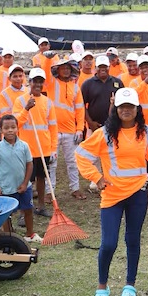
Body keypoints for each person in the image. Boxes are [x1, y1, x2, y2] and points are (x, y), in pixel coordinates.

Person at [77, 88, 148, 296]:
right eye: (122, 107)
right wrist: (97, 178)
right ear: (116, 109)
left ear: (137, 109)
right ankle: (102, 287)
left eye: (130, 106)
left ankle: (130, 284)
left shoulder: (146, 133)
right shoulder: (104, 133)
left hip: (138, 195)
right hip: (112, 196)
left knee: (132, 240)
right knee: (108, 243)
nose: (126, 110)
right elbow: (81, 155)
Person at [13, 68, 57, 224]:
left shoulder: (47, 102)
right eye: (35, 81)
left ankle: (41, 206)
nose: (38, 84)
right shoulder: (20, 101)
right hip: (26, 148)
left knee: (41, 178)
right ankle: (23, 210)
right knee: (25, 181)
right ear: (29, 82)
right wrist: (26, 108)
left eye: (40, 81)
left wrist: (53, 149)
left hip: (43, 147)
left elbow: (52, 127)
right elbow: (16, 123)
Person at [0, 115, 35, 240]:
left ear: (17, 128)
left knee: (28, 210)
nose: (10, 130)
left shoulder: (24, 146)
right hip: (7, 188)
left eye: (13, 127)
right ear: (0, 130)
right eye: (6, 128)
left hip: (24, 186)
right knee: (7, 214)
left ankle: (30, 234)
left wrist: (25, 183)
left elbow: (29, 164)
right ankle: (9, 237)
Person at [48, 58, 87, 201]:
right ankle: (48, 191)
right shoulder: (52, 84)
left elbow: (80, 110)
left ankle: (75, 188)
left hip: (70, 131)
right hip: (53, 130)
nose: (65, 70)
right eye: (62, 68)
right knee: (52, 162)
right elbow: (46, 72)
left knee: (72, 162)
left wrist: (79, 129)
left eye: (68, 68)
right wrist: (48, 58)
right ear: (57, 70)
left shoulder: (75, 87)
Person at [82, 56, 125, 132]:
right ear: (95, 68)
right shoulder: (87, 84)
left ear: (109, 67)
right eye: (100, 67)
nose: (103, 69)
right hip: (94, 127)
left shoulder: (118, 82)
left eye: (105, 66)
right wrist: (90, 122)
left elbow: (124, 104)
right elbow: (81, 105)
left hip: (114, 125)